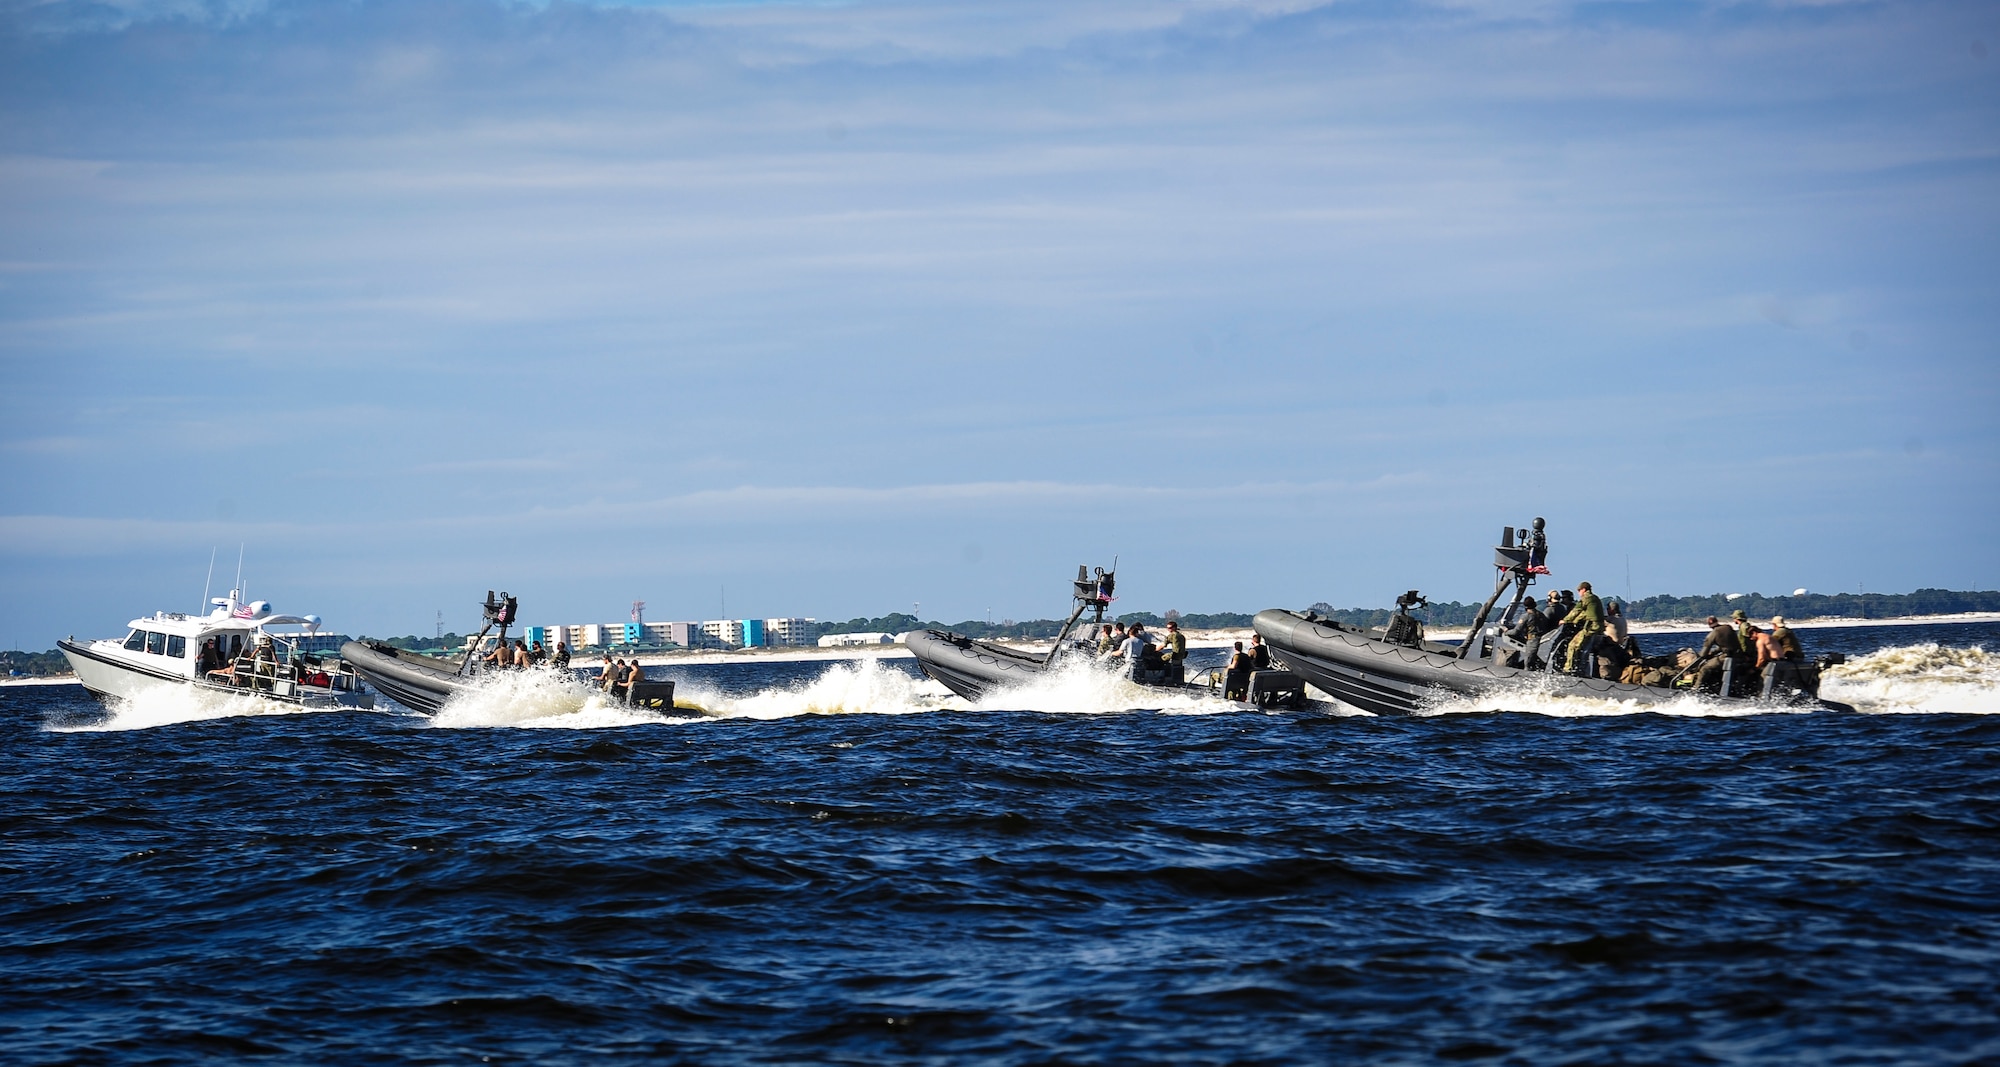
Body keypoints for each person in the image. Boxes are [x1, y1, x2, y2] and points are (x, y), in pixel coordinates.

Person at [1560, 582, 1605, 675]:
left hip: (1591, 627)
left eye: (1579, 591)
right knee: (1585, 648)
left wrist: (1565, 620)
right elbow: (1584, 614)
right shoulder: (1594, 598)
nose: (1579, 593)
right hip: (1597, 627)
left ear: (1583, 590)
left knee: (1572, 645)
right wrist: (1574, 621)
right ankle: (1581, 669)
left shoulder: (1586, 598)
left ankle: (1569, 669)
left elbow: (1577, 610)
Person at [1504, 600, 1547, 669]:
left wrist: (1506, 632)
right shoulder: (1541, 615)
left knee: (1527, 663)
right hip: (1543, 640)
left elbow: (1516, 631)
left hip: (1532, 641)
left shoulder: (1526, 616)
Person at [1159, 620, 1188, 684]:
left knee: (1160, 658)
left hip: (1175, 655)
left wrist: (1155, 650)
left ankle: (1161, 678)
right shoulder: (1181, 636)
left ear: (1174, 627)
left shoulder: (1172, 635)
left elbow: (1163, 646)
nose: (1168, 629)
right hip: (1182, 655)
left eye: (1170, 628)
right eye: (1168, 628)